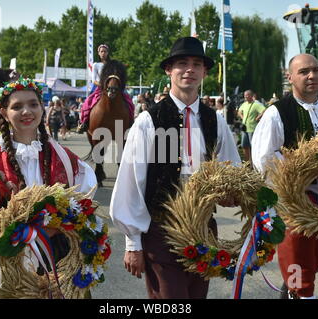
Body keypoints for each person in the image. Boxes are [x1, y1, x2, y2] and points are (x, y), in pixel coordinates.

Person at [109, 37, 241, 299]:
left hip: (203, 229)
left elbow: (233, 171)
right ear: (169, 70)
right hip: (162, 232)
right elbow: (131, 182)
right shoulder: (149, 121)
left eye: (196, 64)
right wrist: (133, 243)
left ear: (205, 72)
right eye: (182, 63)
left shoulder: (215, 121)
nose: (190, 69)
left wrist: (234, 194)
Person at [0, 77, 97, 272]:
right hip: (6, 263)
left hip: (57, 260)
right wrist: (15, 234)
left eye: (33, 104)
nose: (27, 111)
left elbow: (83, 210)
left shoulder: (66, 160)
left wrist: (55, 227)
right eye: (17, 106)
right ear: (4, 113)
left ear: (42, 108)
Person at [251, 53, 318, 299]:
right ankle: (298, 293)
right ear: (290, 77)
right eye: (304, 71)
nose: (312, 76)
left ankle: (292, 293)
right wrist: (301, 173)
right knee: (299, 268)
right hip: (294, 204)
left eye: (316, 70)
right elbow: (264, 157)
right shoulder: (278, 112)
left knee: (312, 263)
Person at [76, 44, 135, 133]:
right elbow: (93, 80)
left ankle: (131, 122)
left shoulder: (112, 64)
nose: (103, 53)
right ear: (98, 53)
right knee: (87, 102)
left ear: (108, 53)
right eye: (101, 51)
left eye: (105, 51)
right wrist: (103, 85)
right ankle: (83, 123)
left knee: (129, 102)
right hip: (101, 88)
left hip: (115, 88)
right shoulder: (96, 65)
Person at [238, 90, 266, 162]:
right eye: (245, 95)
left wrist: (257, 118)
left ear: (251, 96)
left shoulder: (256, 104)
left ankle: (254, 162)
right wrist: (242, 117)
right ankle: (247, 162)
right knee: (244, 146)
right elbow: (239, 111)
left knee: (253, 146)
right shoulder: (244, 104)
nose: (245, 96)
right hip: (245, 129)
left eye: (247, 95)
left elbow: (264, 110)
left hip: (252, 129)